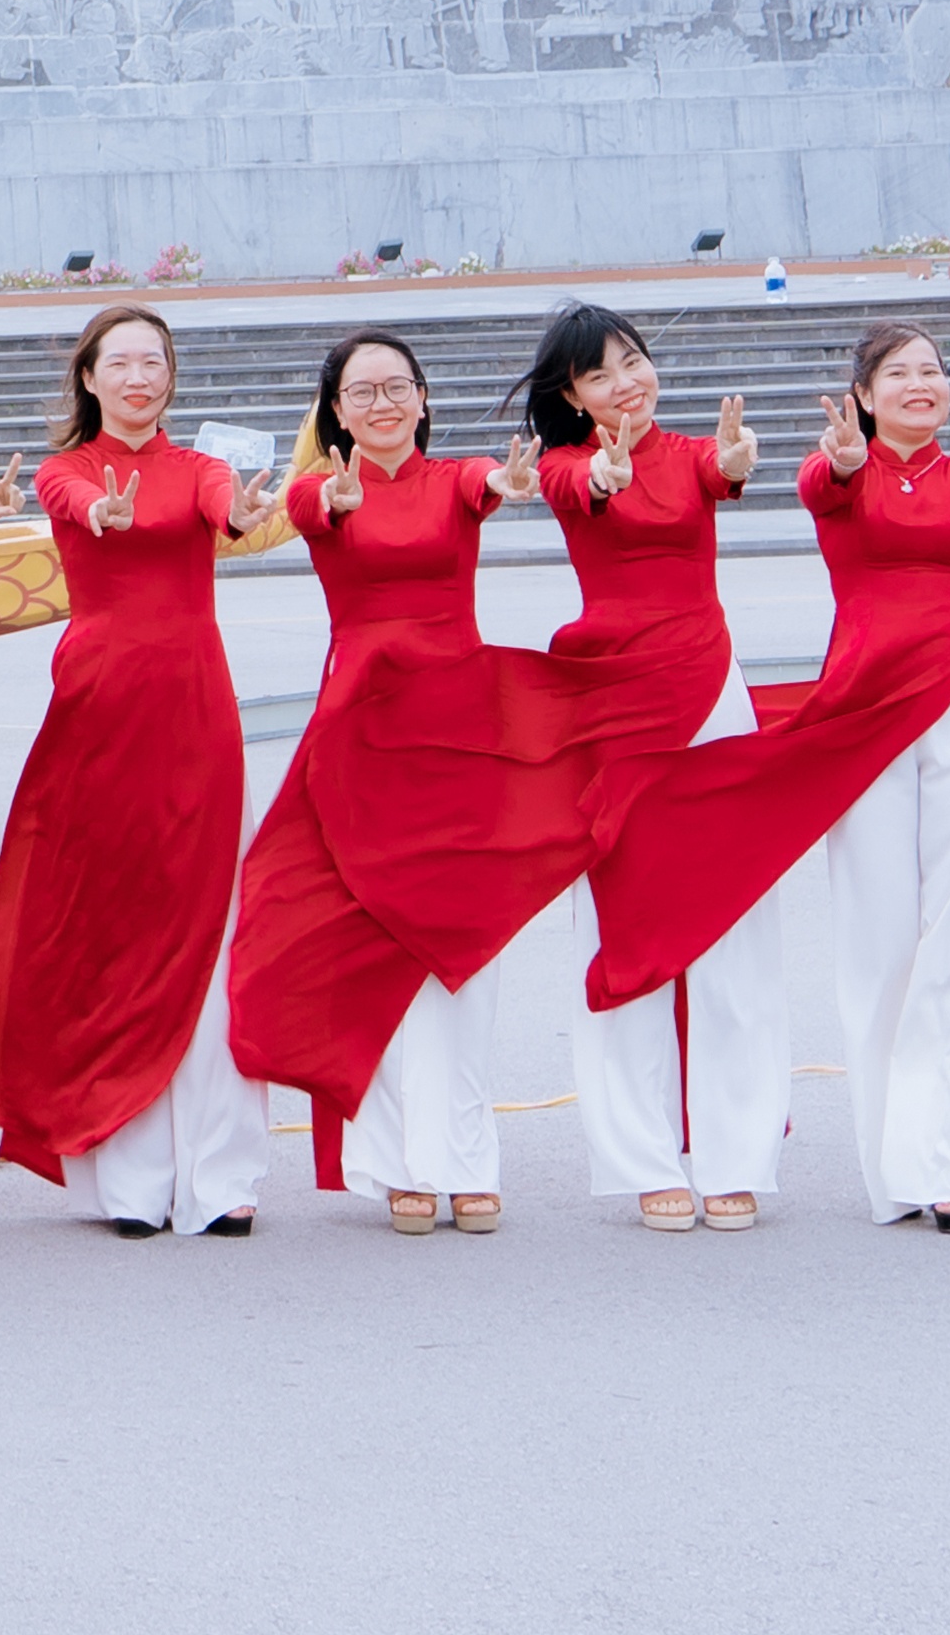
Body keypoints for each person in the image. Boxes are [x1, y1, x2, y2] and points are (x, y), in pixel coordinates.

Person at [588, 321, 950, 1231]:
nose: (920, 383)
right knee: (879, 939)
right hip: (861, 716)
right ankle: (893, 1163)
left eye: (932, 370)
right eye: (897, 374)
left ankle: (948, 1153)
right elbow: (818, 484)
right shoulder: (837, 472)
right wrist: (843, 460)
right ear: (864, 397)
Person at [221, 331, 587, 1228]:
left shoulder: (456, 480)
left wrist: (506, 484)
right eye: (362, 392)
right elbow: (309, 508)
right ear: (336, 413)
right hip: (359, 739)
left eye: (397, 388)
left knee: (462, 950)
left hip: (459, 738)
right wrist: (328, 497)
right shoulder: (317, 492)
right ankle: (395, 1163)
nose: (382, 404)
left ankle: (467, 1158)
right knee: (372, 947)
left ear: (423, 400)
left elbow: (486, 484)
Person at [0, 304, 277, 1241]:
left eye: (153, 362)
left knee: (209, 921)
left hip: (194, 706)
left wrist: (239, 511)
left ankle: (221, 1173)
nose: (138, 378)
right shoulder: (69, 471)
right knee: (113, 921)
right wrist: (101, 511)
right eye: (120, 363)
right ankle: (128, 1170)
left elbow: (222, 500)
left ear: (171, 375)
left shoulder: (200, 466)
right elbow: (72, 503)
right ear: (89, 378)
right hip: (100, 708)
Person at [501, 306, 783, 1231]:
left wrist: (734, 463)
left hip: (712, 695)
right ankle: (643, 1155)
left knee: (733, 921)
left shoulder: (698, 454)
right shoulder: (563, 466)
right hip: (617, 709)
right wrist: (603, 474)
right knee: (624, 924)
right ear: (572, 396)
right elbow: (586, 485)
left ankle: (738, 1151)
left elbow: (720, 469)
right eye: (600, 375)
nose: (626, 383)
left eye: (634, 362)